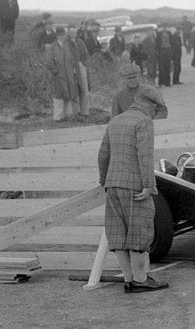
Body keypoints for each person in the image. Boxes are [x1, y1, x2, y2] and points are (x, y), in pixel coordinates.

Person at [97, 86, 169, 293]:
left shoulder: (115, 121)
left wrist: (105, 181)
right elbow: (144, 155)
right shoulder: (143, 121)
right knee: (139, 231)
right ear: (151, 105)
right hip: (135, 186)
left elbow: (103, 155)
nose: (156, 115)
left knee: (118, 232)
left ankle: (128, 280)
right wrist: (148, 185)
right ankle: (140, 279)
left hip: (113, 184)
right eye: (157, 110)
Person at [47, 26, 80, 120]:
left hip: (68, 75)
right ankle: (58, 117)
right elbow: (49, 62)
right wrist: (56, 72)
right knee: (58, 96)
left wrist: (72, 72)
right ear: (57, 36)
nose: (62, 37)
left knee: (68, 95)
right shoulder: (52, 47)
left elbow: (71, 59)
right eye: (60, 35)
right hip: (58, 77)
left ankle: (68, 116)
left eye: (63, 35)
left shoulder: (67, 46)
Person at [67, 24, 91, 118]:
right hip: (70, 67)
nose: (73, 34)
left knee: (84, 89)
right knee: (73, 90)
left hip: (80, 66)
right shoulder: (66, 42)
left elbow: (86, 54)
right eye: (71, 32)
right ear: (68, 32)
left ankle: (85, 112)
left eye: (74, 32)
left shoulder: (80, 41)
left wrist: (83, 64)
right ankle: (74, 113)